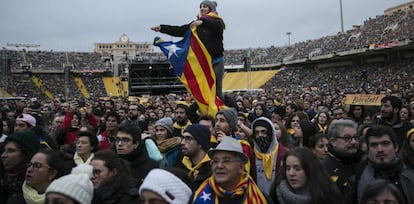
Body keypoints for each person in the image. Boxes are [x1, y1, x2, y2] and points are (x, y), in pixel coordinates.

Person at [151, 0, 225, 101]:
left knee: (216, 90)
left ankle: (222, 113)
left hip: (216, 62)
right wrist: (162, 28)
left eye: (205, 7)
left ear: (211, 9)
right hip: (202, 62)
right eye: (201, 7)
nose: (202, 9)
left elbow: (215, 25)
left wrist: (202, 22)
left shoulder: (218, 21)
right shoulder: (195, 24)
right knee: (203, 90)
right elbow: (180, 30)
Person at [345, 125, 414, 203]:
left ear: (396, 147)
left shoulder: (410, 178)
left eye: (385, 144)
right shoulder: (355, 182)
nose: (380, 149)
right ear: (367, 150)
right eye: (374, 145)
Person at [192, 136, 270, 203]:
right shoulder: (198, 195)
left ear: (241, 167)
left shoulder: (260, 198)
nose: (219, 166)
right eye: (215, 161)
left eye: (226, 161)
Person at [270, 147, 343, 204]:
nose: (291, 173)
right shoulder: (275, 196)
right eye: (288, 168)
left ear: (310, 170)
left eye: (297, 169)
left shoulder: (327, 195)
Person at [114, 122, 158, 189]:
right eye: (117, 140)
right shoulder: (110, 162)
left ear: (136, 144)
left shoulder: (150, 166)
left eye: (125, 140)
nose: (119, 144)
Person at [0, 131, 41, 203]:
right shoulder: (3, 178)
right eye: (4, 151)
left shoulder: (36, 186)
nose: (3, 155)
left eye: (11, 151)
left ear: (26, 154)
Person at [251, 116, 288, 194]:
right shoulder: (251, 155)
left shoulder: (284, 153)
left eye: (263, 132)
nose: (260, 135)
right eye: (257, 133)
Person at [322, 119, 360, 193]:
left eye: (355, 137)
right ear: (333, 142)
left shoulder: (364, 161)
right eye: (347, 138)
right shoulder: (324, 168)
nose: (353, 142)